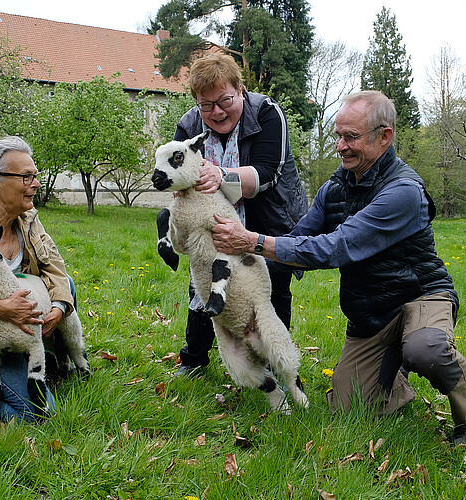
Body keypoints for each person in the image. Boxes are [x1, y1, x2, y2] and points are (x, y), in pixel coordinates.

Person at [211, 90, 466, 445]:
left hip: (420, 296)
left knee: (427, 349)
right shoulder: (336, 188)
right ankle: (395, 372)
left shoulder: (403, 191)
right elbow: (300, 237)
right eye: (337, 135)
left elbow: (337, 246)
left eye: (350, 137)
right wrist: (238, 280)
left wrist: (251, 240)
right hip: (371, 315)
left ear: (384, 136)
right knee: (350, 407)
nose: (340, 146)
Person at [172, 53, 309, 376]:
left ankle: (275, 364)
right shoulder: (189, 125)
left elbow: (268, 172)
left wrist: (220, 176)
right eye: (207, 105)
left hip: (268, 218)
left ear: (241, 90)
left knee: (272, 289)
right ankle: (194, 359)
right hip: (212, 224)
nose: (217, 112)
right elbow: (176, 173)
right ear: (196, 103)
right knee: (204, 286)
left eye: (225, 100)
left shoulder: (267, 114)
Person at [0, 136, 77, 423]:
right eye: (26, 176)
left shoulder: (27, 218)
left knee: (67, 290)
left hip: (22, 330)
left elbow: (56, 269)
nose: (37, 183)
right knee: (36, 413)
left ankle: (49, 361)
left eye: (36, 176)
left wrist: (58, 309)